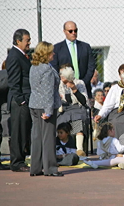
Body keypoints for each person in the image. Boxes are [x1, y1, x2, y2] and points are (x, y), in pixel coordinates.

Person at [29, 41, 63, 177]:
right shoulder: (47, 70)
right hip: (45, 107)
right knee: (48, 138)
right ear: (46, 54)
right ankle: (50, 168)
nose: (53, 54)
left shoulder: (34, 67)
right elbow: (48, 92)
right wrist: (48, 111)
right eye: (51, 52)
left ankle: (35, 168)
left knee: (36, 137)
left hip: (34, 104)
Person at [6, 29, 32, 172]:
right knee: (18, 133)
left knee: (23, 132)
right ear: (18, 41)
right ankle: (17, 162)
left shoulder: (22, 55)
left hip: (24, 100)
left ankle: (20, 159)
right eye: (27, 40)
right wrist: (21, 100)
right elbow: (14, 82)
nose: (29, 43)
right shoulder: (15, 56)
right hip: (19, 102)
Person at [51, 21, 95, 98]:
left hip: (84, 86)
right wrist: (66, 82)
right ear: (64, 31)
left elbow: (91, 66)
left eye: (75, 30)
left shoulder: (85, 47)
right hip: (65, 88)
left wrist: (83, 82)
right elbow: (55, 68)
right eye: (70, 31)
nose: (73, 33)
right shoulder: (57, 48)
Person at [57, 64, 89, 156]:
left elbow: (83, 101)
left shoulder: (79, 83)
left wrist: (74, 88)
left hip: (77, 107)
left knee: (77, 119)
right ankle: (59, 148)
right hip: (64, 109)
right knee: (60, 121)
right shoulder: (58, 84)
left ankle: (79, 149)